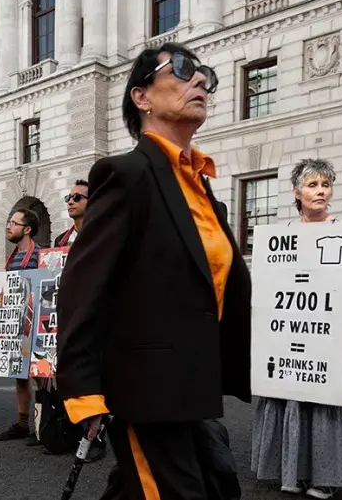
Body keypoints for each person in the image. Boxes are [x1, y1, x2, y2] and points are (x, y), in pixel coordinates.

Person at [57, 42, 248, 498]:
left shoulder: (204, 192)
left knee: (212, 488)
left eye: (204, 74)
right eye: (182, 71)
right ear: (141, 97)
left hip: (193, 389)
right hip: (146, 393)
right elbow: (82, 289)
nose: (199, 80)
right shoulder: (125, 174)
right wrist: (83, 392)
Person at [251, 159, 342, 499]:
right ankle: (292, 471)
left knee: (327, 402)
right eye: (312, 185)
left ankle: (325, 477)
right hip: (291, 335)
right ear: (297, 192)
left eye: (325, 185)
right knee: (291, 399)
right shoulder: (282, 236)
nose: (320, 191)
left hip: (333, 339)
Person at [0, 208, 43, 445]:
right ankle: (22, 424)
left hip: (35, 325)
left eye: (13, 223)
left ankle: (42, 425)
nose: (8, 226)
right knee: (19, 375)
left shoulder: (40, 254)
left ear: (27, 229)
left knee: (41, 377)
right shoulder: (12, 256)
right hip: (15, 324)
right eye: (8, 221)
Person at [54, 180, 88, 247]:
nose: (70, 202)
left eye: (76, 197)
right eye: (68, 198)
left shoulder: (103, 235)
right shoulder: (60, 240)